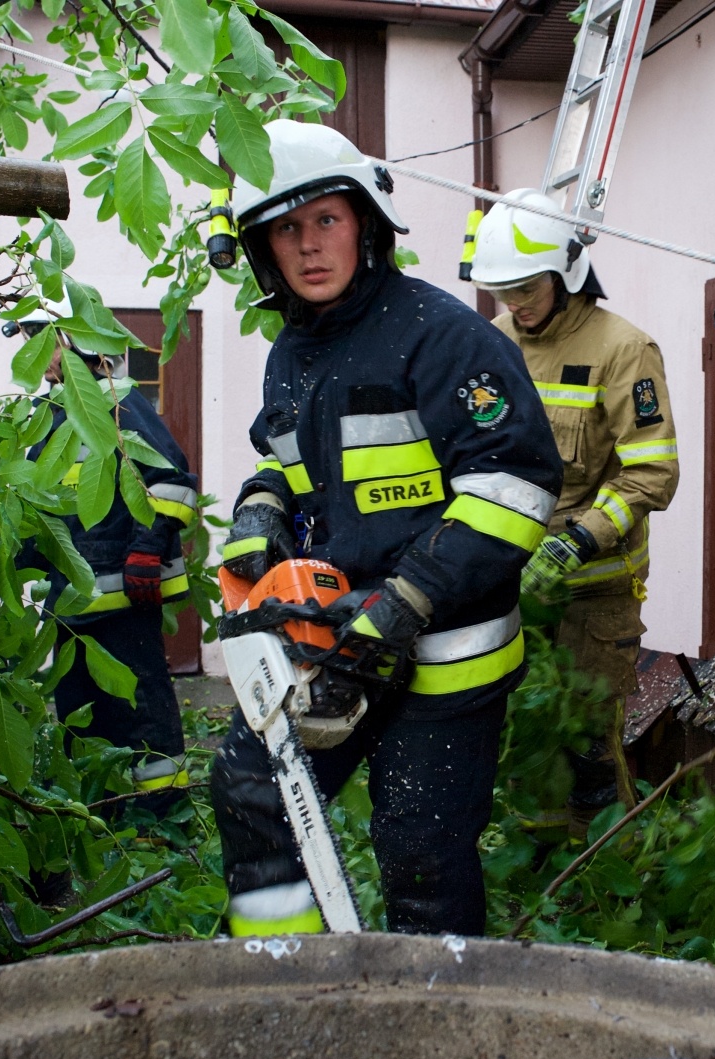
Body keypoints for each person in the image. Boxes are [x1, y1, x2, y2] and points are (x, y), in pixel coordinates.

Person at [210, 121, 564, 937]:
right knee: (250, 791)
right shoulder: (290, 355)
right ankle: (284, 986)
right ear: (263, 250)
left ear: (365, 222)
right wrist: (261, 509)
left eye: (326, 220)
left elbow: (514, 488)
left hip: (447, 655)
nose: (309, 247)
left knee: (421, 854)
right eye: (287, 230)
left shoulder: (444, 337)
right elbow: (293, 469)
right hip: (333, 639)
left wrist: (407, 601)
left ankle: (438, 1020)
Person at [467, 189, 680, 831]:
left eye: (527, 288)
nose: (517, 305)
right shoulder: (490, 343)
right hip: (510, 587)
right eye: (504, 292)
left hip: (595, 592)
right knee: (527, 734)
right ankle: (539, 871)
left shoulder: (624, 350)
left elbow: (652, 470)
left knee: (586, 743)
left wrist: (576, 543)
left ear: (566, 270)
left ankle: (601, 869)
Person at [18, 301, 200, 815]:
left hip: (124, 594)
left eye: (43, 343)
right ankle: (101, 816)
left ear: (75, 343)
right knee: (80, 713)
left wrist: (146, 549)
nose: (39, 359)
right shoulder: (50, 415)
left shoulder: (118, 402)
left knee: (140, 709)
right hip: (71, 602)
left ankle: (165, 815)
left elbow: (171, 480)